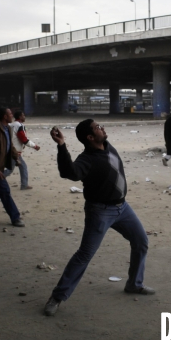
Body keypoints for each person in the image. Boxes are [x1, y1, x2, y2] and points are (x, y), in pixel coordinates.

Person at [43, 120, 153, 316]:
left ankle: (134, 284)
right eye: (97, 128)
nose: (102, 127)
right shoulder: (87, 159)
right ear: (90, 137)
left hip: (123, 208)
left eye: (100, 125)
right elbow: (69, 173)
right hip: (100, 211)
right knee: (84, 255)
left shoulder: (108, 147)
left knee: (141, 241)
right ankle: (58, 297)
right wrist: (61, 146)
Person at [11, 111, 40, 190]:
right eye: (23, 115)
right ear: (20, 117)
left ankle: (24, 185)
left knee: (22, 166)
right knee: (10, 170)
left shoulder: (11, 125)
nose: (25, 117)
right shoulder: (20, 126)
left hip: (10, 149)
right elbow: (24, 139)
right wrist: (35, 146)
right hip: (15, 151)